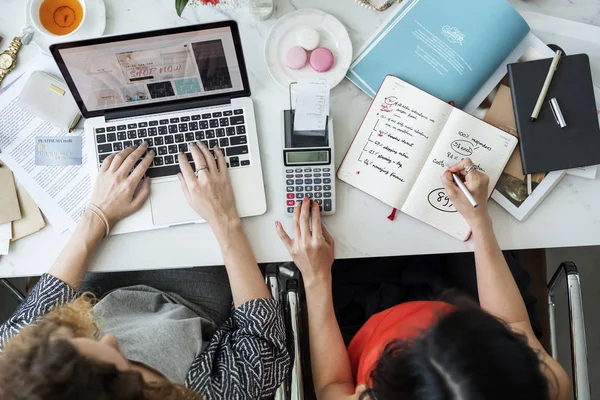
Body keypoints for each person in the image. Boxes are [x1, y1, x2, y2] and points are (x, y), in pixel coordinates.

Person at [0, 141, 289, 400]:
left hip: (99, 292)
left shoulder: (26, 378)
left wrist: (98, 214)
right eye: (119, 362)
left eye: (81, 341)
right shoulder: (217, 392)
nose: (110, 338)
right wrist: (224, 217)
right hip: (190, 303)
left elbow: (22, 330)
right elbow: (260, 338)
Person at [275, 158, 570, 400]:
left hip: (366, 320)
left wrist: (315, 278)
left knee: (331, 239)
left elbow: (331, 388)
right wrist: (480, 222)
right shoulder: (542, 386)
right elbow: (514, 324)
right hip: (465, 300)